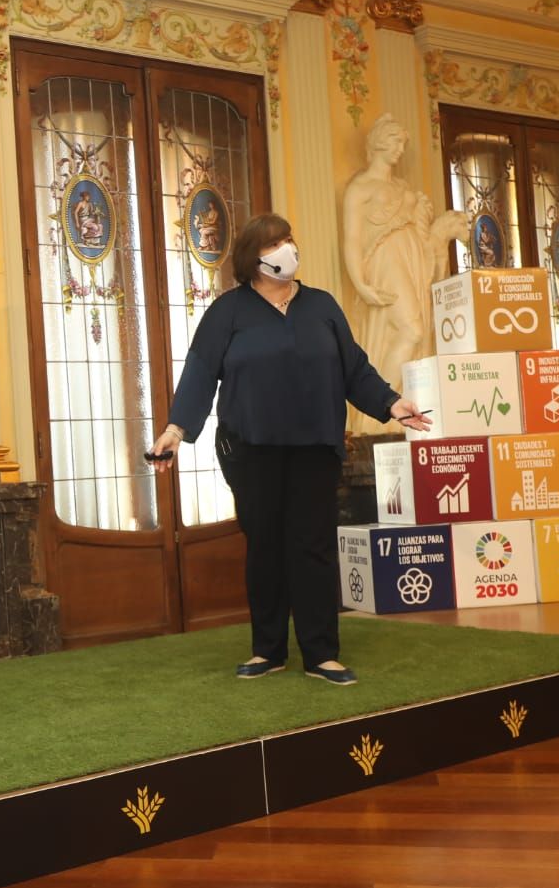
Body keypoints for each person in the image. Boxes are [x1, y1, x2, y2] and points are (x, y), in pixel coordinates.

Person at [148, 213, 431, 686]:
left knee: (313, 546)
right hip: (251, 449)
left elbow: (353, 367)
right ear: (254, 258)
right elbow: (199, 371)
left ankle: (321, 653)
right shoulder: (229, 311)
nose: (287, 249)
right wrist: (176, 430)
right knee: (266, 547)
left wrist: (391, 402)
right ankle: (268, 650)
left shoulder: (321, 306)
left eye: (289, 240)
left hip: (314, 447)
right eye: (276, 243)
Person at [342, 114, 466, 395]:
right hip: (384, 260)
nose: (400, 149)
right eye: (395, 141)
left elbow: (420, 232)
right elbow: (351, 240)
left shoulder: (403, 188)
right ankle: (380, 404)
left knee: (416, 334)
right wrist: (361, 284)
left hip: (412, 259)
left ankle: (397, 403)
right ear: (379, 142)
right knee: (412, 331)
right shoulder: (359, 188)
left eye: (403, 143)